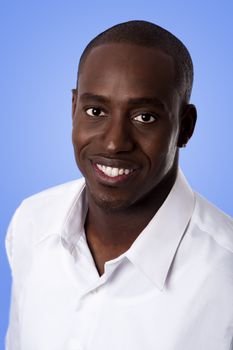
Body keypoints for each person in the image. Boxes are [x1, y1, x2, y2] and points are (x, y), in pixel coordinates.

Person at [5, 20, 233, 350]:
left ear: (185, 127)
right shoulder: (32, 222)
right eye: (96, 110)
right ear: (73, 110)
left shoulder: (226, 274)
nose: (114, 143)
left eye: (145, 117)